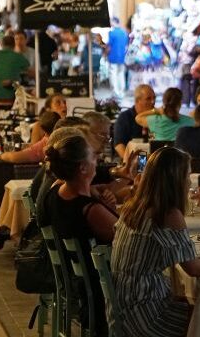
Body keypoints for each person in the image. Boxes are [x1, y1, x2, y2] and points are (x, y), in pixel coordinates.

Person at [111, 147, 200, 337]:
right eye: (188, 175)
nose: (189, 181)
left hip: (123, 306)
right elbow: (194, 269)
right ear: (177, 180)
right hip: (145, 315)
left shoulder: (134, 205)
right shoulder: (167, 213)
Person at [41, 133, 117, 337]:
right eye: (93, 157)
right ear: (83, 168)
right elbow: (127, 240)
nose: (97, 161)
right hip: (103, 290)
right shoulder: (90, 210)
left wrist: (101, 199)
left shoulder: (55, 193)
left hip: (79, 285)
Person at [1, 116, 86, 164]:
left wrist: (0, 156)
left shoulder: (46, 143)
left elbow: (13, 157)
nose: (64, 106)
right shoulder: (49, 143)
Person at [0, 35, 32, 104]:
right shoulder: (18, 56)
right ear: (14, 45)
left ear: (1, 44)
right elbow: (31, 72)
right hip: (12, 98)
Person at [114, 85, 155, 158]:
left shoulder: (157, 117)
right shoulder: (125, 117)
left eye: (154, 98)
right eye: (148, 99)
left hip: (152, 162)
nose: (153, 102)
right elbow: (119, 145)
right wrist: (129, 164)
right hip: (132, 161)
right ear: (137, 100)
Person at [106, 17, 130, 98]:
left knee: (113, 75)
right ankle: (121, 91)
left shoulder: (112, 33)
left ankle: (115, 93)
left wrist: (106, 54)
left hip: (113, 57)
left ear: (114, 22)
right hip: (122, 58)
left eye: (111, 22)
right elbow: (126, 46)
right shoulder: (124, 33)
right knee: (121, 74)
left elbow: (109, 47)